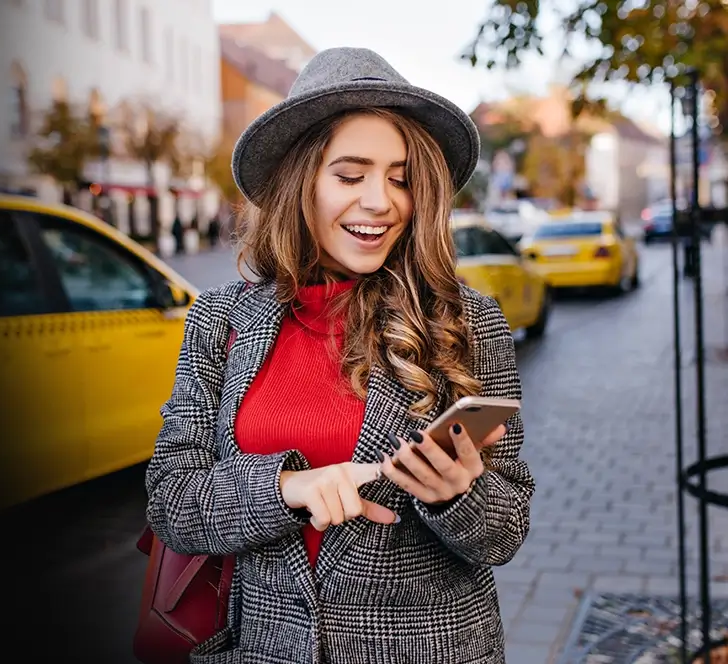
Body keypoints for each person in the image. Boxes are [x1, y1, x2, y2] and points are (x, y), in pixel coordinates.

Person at [144, 47, 534, 663]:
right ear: (301, 183)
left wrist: (455, 495)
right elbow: (172, 500)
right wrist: (287, 488)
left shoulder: (467, 321)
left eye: (401, 178)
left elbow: (506, 533)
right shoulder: (221, 320)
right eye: (350, 176)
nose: (380, 201)